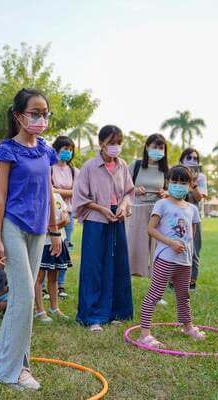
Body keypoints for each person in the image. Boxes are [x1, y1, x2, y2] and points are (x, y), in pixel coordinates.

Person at [0, 88, 61, 391]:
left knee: (21, 296)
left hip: (39, 228)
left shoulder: (45, 150)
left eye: (45, 113)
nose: (41, 118)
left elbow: (50, 193)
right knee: (26, 297)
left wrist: (55, 231)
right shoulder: (8, 150)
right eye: (35, 113)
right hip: (13, 227)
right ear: (18, 115)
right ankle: (13, 371)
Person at [72, 125, 134, 332]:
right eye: (111, 143)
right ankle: (92, 316)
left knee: (118, 264)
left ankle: (117, 311)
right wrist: (102, 209)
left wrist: (124, 207)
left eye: (118, 143)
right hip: (96, 220)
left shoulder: (123, 165)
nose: (115, 147)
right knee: (94, 267)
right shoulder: (89, 167)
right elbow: (80, 197)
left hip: (118, 218)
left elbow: (128, 192)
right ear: (101, 144)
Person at [138, 165, 205, 347]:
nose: (178, 185)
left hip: (184, 261)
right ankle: (144, 333)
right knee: (155, 294)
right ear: (168, 182)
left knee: (184, 295)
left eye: (183, 182)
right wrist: (170, 243)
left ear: (190, 185)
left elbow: (191, 235)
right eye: (174, 182)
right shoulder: (162, 204)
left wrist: (189, 255)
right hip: (165, 258)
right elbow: (150, 229)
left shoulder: (192, 208)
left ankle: (187, 326)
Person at [126, 134, 168, 278]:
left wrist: (165, 193)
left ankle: (157, 291)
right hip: (136, 213)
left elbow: (172, 191)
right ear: (147, 147)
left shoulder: (166, 170)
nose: (158, 150)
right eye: (154, 147)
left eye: (161, 148)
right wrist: (135, 190)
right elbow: (122, 187)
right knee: (133, 249)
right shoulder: (135, 165)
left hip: (158, 214)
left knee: (158, 251)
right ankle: (127, 284)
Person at [34, 191, 72, 323]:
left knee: (53, 277)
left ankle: (54, 308)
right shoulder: (37, 196)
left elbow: (67, 218)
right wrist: (58, 224)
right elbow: (38, 225)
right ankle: (39, 311)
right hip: (42, 243)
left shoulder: (57, 196)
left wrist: (55, 226)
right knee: (38, 278)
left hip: (58, 241)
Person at [50, 135, 79, 298]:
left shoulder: (75, 171)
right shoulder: (50, 168)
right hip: (52, 214)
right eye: (65, 149)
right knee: (49, 246)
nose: (67, 152)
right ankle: (46, 284)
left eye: (70, 150)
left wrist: (57, 190)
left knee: (65, 246)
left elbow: (78, 192)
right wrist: (66, 191)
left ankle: (60, 284)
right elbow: (48, 189)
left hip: (68, 214)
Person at [180, 148, 208, 289]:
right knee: (175, 248)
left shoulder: (201, 177)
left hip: (193, 218)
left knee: (194, 250)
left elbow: (199, 197)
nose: (192, 160)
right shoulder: (175, 174)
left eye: (195, 158)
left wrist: (193, 184)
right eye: (189, 157)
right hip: (176, 217)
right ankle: (173, 282)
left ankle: (191, 282)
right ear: (182, 160)